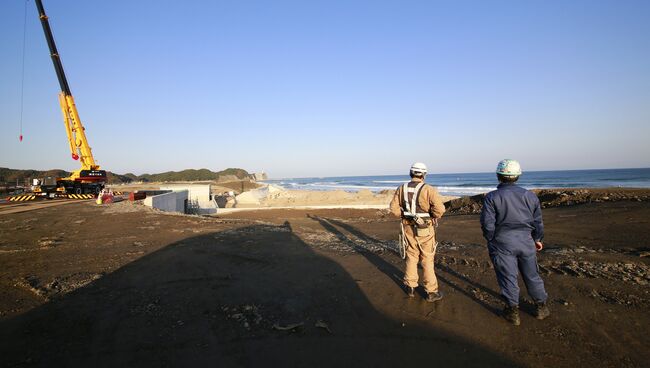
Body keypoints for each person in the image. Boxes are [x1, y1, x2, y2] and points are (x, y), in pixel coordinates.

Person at [480, 159, 550, 325]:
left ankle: (513, 312)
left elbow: (487, 224)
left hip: (502, 242)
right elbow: (537, 222)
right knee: (532, 275)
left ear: (499, 176)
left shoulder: (492, 197)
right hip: (526, 241)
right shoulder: (530, 196)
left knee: (508, 277)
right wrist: (537, 239)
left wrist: (491, 239)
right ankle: (541, 307)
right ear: (518, 175)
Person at [389, 162, 446, 302]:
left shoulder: (401, 188)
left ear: (410, 173)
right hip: (425, 229)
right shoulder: (429, 189)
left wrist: (404, 216)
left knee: (412, 255)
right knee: (427, 258)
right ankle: (431, 292)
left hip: (408, 227)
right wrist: (431, 217)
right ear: (424, 175)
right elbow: (440, 210)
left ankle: (410, 287)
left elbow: (394, 209)